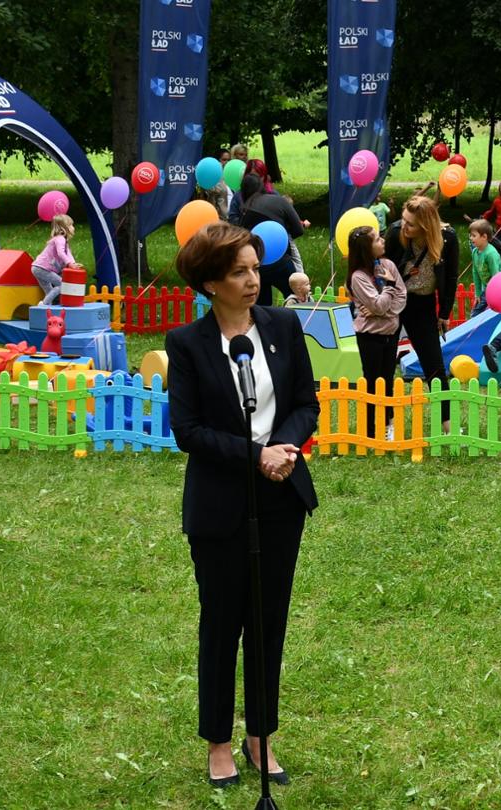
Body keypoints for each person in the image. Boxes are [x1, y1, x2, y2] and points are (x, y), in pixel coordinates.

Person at [164, 221, 316, 798]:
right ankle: (218, 743)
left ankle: (261, 735)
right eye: (239, 272)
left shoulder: (282, 326)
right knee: (222, 623)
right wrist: (256, 456)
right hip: (221, 503)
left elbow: (305, 403)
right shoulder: (187, 343)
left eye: (255, 268)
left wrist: (284, 450)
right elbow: (188, 430)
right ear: (211, 283)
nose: (253, 280)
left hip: (282, 496)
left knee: (268, 623)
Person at [386, 197, 458, 424]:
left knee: (434, 364)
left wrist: (444, 313)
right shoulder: (395, 233)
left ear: (426, 226)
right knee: (385, 364)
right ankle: (387, 422)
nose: (404, 226)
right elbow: (383, 267)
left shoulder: (448, 238)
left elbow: (451, 277)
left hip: (423, 304)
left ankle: (447, 424)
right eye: (403, 220)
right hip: (393, 303)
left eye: (411, 224)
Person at [346, 226, 407, 418]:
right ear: (366, 248)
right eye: (377, 239)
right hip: (370, 336)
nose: (383, 241)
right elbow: (379, 304)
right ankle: (371, 425)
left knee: (388, 379)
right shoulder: (358, 277)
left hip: (390, 332)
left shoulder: (388, 265)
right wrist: (389, 286)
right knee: (373, 381)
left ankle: (388, 421)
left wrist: (380, 311)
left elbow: (402, 296)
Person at [240, 189, 308, 305]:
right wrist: (285, 236)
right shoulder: (281, 202)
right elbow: (299, 230)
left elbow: (242, 234)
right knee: (296, 298)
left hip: (259, 262)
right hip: (281, 261)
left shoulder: (248, 208)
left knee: (262, 305)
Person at [32, 214, 79, 307]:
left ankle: (46, 307)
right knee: (62, 284)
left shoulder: (62, 240)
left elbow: (68, 253)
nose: (73, 227)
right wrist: (69, 263)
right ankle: (44, 304)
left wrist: (73, 263)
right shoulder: (60, 239)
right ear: (64, 228)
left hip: (37, 268)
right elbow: (61, 253)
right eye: (71, 225)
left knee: (49, 290)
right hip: (42, 268)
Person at [468, 179, 501, 269]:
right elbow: (490, 212)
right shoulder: (497, 201)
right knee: (499, 250)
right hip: (500, 231)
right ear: (499, 190)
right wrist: (483, 218)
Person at [467, 218, 501, 311]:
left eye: (474, 235)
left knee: (482, 313)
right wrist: (478, 293)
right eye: (470, 235)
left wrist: (494, 296)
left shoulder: (491, 254)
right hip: (486, 289)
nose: (471, 238)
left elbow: (496, 275)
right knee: (476, 312)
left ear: (484, 237)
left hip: (498, 289)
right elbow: (475, 272)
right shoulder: (475, 252)